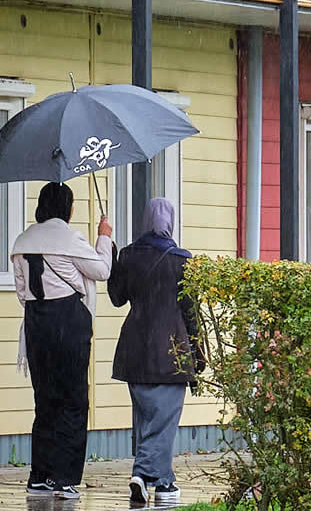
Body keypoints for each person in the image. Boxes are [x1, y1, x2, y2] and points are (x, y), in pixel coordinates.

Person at [11, 181, 113, 500]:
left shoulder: (22, 241)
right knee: (73, 399)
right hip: (68, 322)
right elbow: (102, 270)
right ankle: (65, 480)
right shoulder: (70, 238)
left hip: (36, 323)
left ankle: (39, 477)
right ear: (67, 208)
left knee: (45, 400)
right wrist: (104, 236)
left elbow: (20, 290)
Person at [108, 197, 205, 506]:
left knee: (147, 420)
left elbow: (117, 298)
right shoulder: (182, 260)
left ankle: (163, 483)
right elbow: (190, 312)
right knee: (163, 422)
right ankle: (141, 473)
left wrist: (112, 257)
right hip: (170, 351)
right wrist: (198, 349)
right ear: (170, 222)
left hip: (134, 350)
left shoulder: (128, 256)